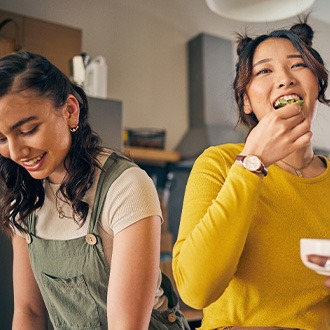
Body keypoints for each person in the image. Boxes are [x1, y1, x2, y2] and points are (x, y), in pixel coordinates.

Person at [0, 51, 189, 330]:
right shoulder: (25, 197)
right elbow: (29, 312)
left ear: (70, 111)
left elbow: (126, 326)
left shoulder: (126, 187)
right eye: (1, 138)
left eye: (28, 130)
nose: (15, 152)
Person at [172, 18, 330, 329]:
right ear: (246, 100)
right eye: (264, 71)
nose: (284, 79)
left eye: (298, 66)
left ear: (317, 84)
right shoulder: (218, 163)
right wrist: (252, 162)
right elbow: (195, 290)